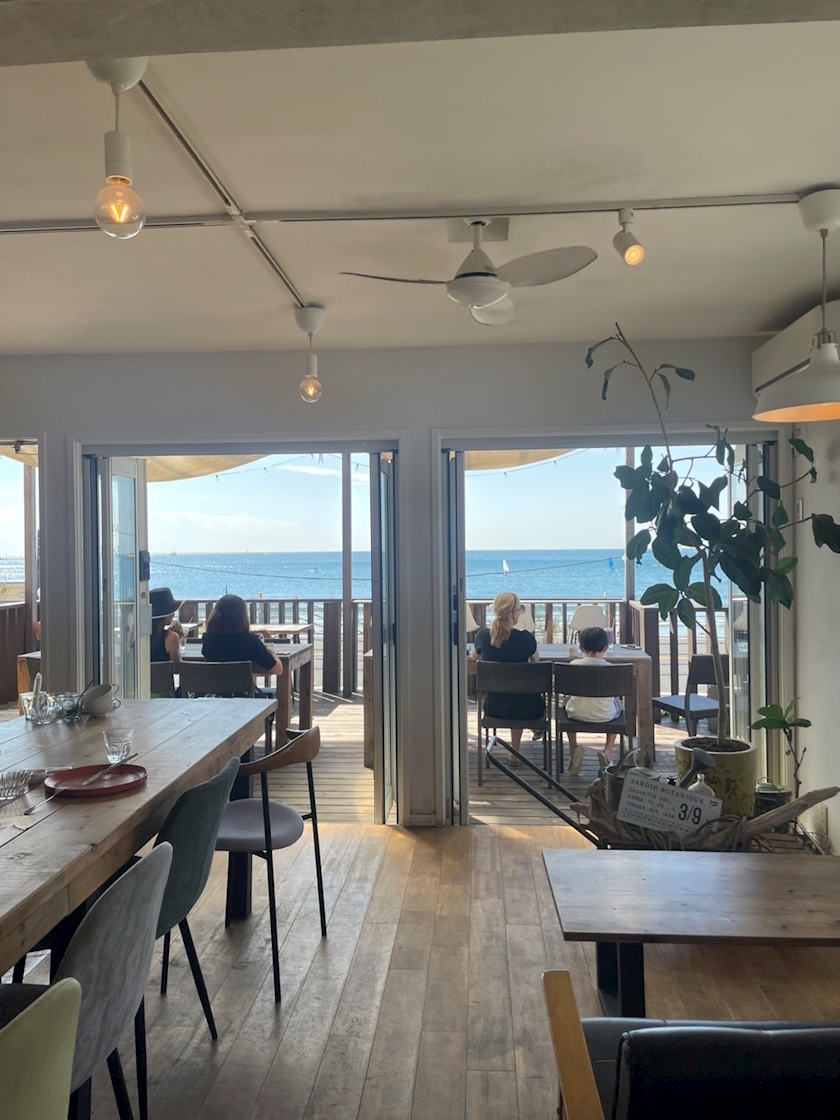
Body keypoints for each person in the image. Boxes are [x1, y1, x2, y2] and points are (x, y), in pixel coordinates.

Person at [471, 591, 542, 764]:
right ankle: (516, 751)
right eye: (520, 610)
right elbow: (536, 661)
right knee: (520, 696)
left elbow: (474, 657)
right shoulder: (526, 638)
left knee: (509, 696)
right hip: (526, 709)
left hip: (493, 707)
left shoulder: (483, 636)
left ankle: (520, 743)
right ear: (513, 614)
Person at [561, 626, 622, 775]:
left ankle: (573, 748)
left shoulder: (573, 666)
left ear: (581, 648)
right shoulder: (612, 669)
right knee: (619, 705)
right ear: (605, 648)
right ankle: (608, 751)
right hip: (605, 716)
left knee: (567, 703)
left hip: (575, 714)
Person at [201, 593, 284, 690]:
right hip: (244, 694)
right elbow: (278, 670)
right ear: (242, 617)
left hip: (214, 693)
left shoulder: (208, 640)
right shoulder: (251, 642)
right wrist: (272, 651)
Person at [150, 586, 183, 665]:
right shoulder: (171, 638)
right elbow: (178, 668)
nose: (173, 614)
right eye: (171, 611)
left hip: (143, 673)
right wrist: (177, 641)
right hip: (163, 674)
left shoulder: (139, 637)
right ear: (165, 615)